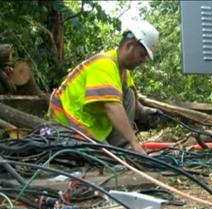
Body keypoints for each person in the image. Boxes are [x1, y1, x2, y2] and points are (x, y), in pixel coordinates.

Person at [48, 20, 160, 155]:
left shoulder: (122, 71)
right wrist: (135, 144)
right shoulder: (104, 64)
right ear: (129, 46)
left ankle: (122, 147)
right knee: (107, 159)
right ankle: (123, 149)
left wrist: (143, 111)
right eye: (142, 55)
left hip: (91, 124)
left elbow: (131, 100)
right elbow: (112, 106)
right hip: (69, 123)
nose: (143, 61)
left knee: (129, 92)